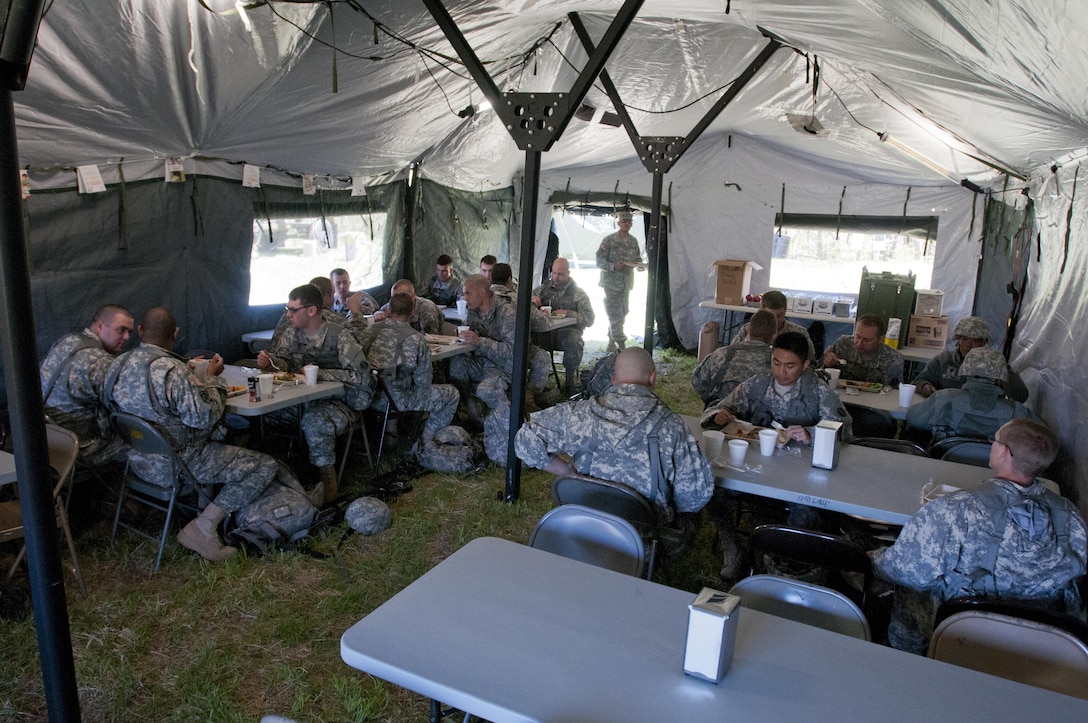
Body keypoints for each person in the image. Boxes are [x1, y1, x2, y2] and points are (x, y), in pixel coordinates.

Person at [872, 419, 1087, 654]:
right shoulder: (1068, 513)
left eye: (994, 440)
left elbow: (908, 571)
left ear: (1003, 452)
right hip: (1050, 635)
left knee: (911, 589)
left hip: (968, 628)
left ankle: (905, 656)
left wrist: (875, 558)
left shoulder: (955, 509)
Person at [102, 307, 279, 561]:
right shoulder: (173, 372)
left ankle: (199, 509)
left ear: (140, 331)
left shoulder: (117, 364)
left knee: (216, 439)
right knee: (264, 465)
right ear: (175, 333)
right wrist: (212, 380)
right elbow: (205, 417)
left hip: (135, 460)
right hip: (176, 464)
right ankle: (204, 527)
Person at [701, 331, 851, 576]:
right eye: (776, 363)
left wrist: (812, 434)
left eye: (790, 366)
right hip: (755, 466)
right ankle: (731, 547)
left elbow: (844, 430)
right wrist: (719, 415)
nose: (781, 372)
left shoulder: (818, 392)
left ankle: (784, 562)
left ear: (805, 365)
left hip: (798, 476)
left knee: (807, 508)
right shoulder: (758, 383)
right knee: (714, 488)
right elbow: (720, 406)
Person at [515, 347, 714, 524]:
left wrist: (568, 472)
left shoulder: (579, 414)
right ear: (653, 379)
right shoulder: (672, 426)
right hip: (645, 534)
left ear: (613, 380)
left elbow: (524, 441)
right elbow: (695, 497)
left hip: (586, 521)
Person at [258, 284, 374, 504]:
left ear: (311, 310)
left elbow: (363, 378)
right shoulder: (291, 334)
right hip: (304, 398)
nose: (288, 315)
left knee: (314, 422)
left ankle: (328, 484)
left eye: (293, 310)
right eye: (287, 309)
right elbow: (285, 363)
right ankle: (284, 479)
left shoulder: (339, 337)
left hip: (342, 402)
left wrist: (322, 374)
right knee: (266, 416)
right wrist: (271, 363)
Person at [449, 274, 549, 463]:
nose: (465, 298)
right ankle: (473, 414)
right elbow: (471, 333)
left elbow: (514, 353)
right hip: (484, 361)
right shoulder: (474, 311)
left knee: (486, 390)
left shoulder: (506, 313)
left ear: (482, 292)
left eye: (468, 293)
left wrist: (480, 342)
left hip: (504, 365)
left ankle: (515, 430)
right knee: (456, 365)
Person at [357, 292, 459, 445]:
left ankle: (392, 433)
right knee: (451, 394)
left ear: (389, 310)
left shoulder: (369, 331)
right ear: (412, 312)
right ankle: (426, 441)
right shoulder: (416, 339)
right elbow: (423, 382)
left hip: (367, 396)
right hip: (398, 399)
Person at [40, 304, 134, 466]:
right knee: (140, 443)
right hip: (79, 445)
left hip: (44, 436)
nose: (126, 337)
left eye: (129, 332)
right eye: (121, 330)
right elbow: (130, 404)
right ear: (99, 326)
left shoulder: (68, 340)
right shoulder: (100, 361)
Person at [905, 347, 1035, 444]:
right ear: (1000, 379)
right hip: (993, 472)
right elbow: (1042, 440)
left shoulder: (944, 398)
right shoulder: (1017, 411)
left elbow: (914, 418)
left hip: (945, 463)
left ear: (965, 372)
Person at [913, 316, 1029, 402]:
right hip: (947, 413)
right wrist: (924, 386)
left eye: (975, 341)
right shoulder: (943, 360)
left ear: (984, 343)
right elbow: (919, 380)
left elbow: (1020, 396)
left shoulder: (995, 365)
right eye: (964, 339)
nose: (969, 345)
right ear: (958, 341)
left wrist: (1005, 371)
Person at [531, 258, 596, 397]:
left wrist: (569, 313)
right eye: (554, 273)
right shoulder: (543, 289)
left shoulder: (578, 294)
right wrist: (533, 301)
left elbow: (590, 319)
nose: (556, 277)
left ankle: (570, 381)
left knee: (573, 339)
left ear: (568, 273)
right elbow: (526, 300)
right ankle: (532, 384)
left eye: (560, 274)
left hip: (565, 334)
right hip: (543, 334)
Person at [691, 309, 775, 407]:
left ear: (748, 330)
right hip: (757, 418)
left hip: (718, 414)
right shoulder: (778, 362)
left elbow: (698, 384)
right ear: (774, 335)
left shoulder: (721, 354)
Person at [595, 210, 644, 352]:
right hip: (611, 283)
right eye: (624, 221)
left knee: (623, 311)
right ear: (618, 223)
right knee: (615, 312)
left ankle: (611, 340)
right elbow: (599, 261)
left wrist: (639, 265)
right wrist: (613, 266)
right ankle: (621, 344)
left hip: (626, 283)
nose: (627, 224)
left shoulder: (633, 241)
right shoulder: (609, 240)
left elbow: (637, 258)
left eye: (629, 222)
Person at [729, 290, 816, 361]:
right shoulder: (749, 329)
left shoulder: (799, 333)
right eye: (770, 316)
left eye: (779, 316)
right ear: (760, 310)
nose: (775, 321)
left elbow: (811, 363)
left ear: (785, 311)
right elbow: (730, 355)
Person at [821, 313, 904, 387]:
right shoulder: (843, 345)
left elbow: (892, 393)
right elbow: (819, 375)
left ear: (881, 339)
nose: (859, 343)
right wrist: (827, 364)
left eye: (867, 340)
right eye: (857, 337)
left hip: (874, 401)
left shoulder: (893, 359)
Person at [269, 276, 349, 350]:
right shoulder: (332, 317)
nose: (288, 315)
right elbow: (358, 339)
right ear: (327, 297)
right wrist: (355, 313)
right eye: (333, 294)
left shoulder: (289, 315)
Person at [371, 279, 445, 334]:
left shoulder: (426, 308)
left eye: (401, 297)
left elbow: (431, 337)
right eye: (393, 297)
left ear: (413, 296)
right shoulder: (389, 307)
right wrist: (377, 315)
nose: (396, 300)